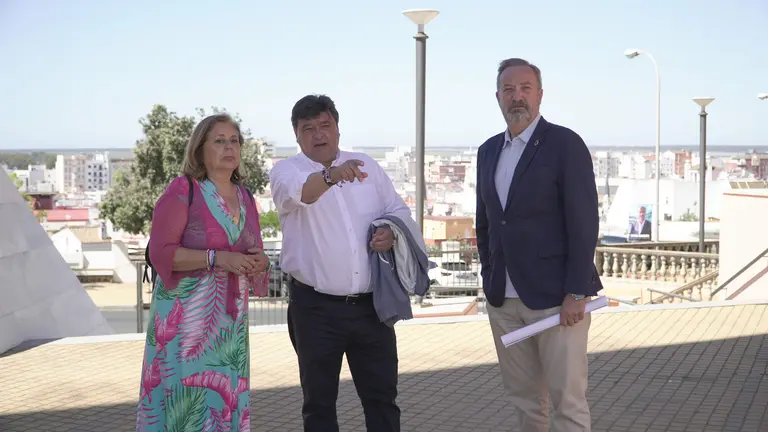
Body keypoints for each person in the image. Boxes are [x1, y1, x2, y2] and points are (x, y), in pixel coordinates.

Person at [270, 94, 415, 432]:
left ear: (337, 127)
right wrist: (332, 176)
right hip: (315, 310)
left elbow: (398, 211)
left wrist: (390, 233)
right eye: (309, 128)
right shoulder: (286, 171)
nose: (319, 134)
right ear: (297, 135)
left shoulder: (366, 166)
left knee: (382, 400)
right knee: (319, 406)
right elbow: (301, 194)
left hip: (371, 309)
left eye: (325, 125)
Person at [475, 58, 603, 431]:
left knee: (568, 401)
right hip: (504, 301)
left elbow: (584, 222)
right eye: (509, 90)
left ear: (540, 95)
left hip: (556, 302)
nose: (517, 97)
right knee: (525, 404)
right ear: (498, 97)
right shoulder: (487, 151)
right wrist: (489, 277)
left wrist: (577, 291)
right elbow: (486, 223)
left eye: (525, 89)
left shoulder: (565, 144)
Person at [135, 113, 271, 432]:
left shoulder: (246, 197)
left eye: (234, 140)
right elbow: (161, 253)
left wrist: (261, 262)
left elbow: (254, 248)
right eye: (219, 141)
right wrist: (217, 258)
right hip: (185, 326)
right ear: (200, 149)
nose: (229, 147)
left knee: (223, 401)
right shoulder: (184, 190)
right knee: (189, 405)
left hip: (228, 325)